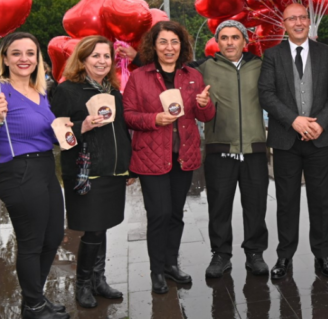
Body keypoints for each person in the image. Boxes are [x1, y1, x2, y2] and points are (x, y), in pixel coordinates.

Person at [0, 32, 68, 318]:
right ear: (5, 58)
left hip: (46, 168)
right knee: (32, 241)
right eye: (16, 53)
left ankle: (34, 296)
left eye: (30, 53)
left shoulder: (40, 91)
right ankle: (33, 306)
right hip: (20, 171)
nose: (24, 58)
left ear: (38, 58)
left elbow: (47, 135)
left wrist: (75, 128)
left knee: (53, 237)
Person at [123, 20, 215, 294]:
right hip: (151, 158)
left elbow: (206, 116)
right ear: (154, 46)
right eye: (163, 42)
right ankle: (156, 271)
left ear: (182, 46)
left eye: (174, 42)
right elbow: (128, 115)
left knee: (175, 214)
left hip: (183, 157)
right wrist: (154, 119)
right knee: (159, 214)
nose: (169, 47)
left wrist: (204, 104)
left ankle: (171, 265)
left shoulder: (192, 75)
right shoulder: (139, 76)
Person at [258, 3, 328, 280]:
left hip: (320, 140)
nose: (297, 22)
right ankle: (285, 256)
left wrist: (319, 123)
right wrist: (294, 120)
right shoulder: (272, 56)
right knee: (286, 201)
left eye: (301, 17)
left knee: (321, 202)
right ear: (283, 24)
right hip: (286, 140)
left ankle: (322, 255)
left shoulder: (327, 53)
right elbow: (267, 94)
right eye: (291, 18)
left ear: (308, 21)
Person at [50, 36, 133, 308]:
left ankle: (99, 280)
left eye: (106, 56)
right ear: (83, 60)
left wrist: (127, 166)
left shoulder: (114, 91)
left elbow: (121, 131)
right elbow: (57, 134)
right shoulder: (67, 90)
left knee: (102, 227)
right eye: (95, 56)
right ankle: (83, 284)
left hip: (113, 171)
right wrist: (81, 125)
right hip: (86, 172)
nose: (102, 61)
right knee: (93, 230)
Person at [190, 20, 270, 278]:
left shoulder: (260, 66)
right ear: (217, 41)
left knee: (256, 205)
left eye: (235, 37)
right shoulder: (203, 68)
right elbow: (169, 66)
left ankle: (255, 253)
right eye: (224, 38)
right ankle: (221, 255)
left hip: (254, 148)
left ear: (244, 41)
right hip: (219, 148)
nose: (230, 42)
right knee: (219, 206)